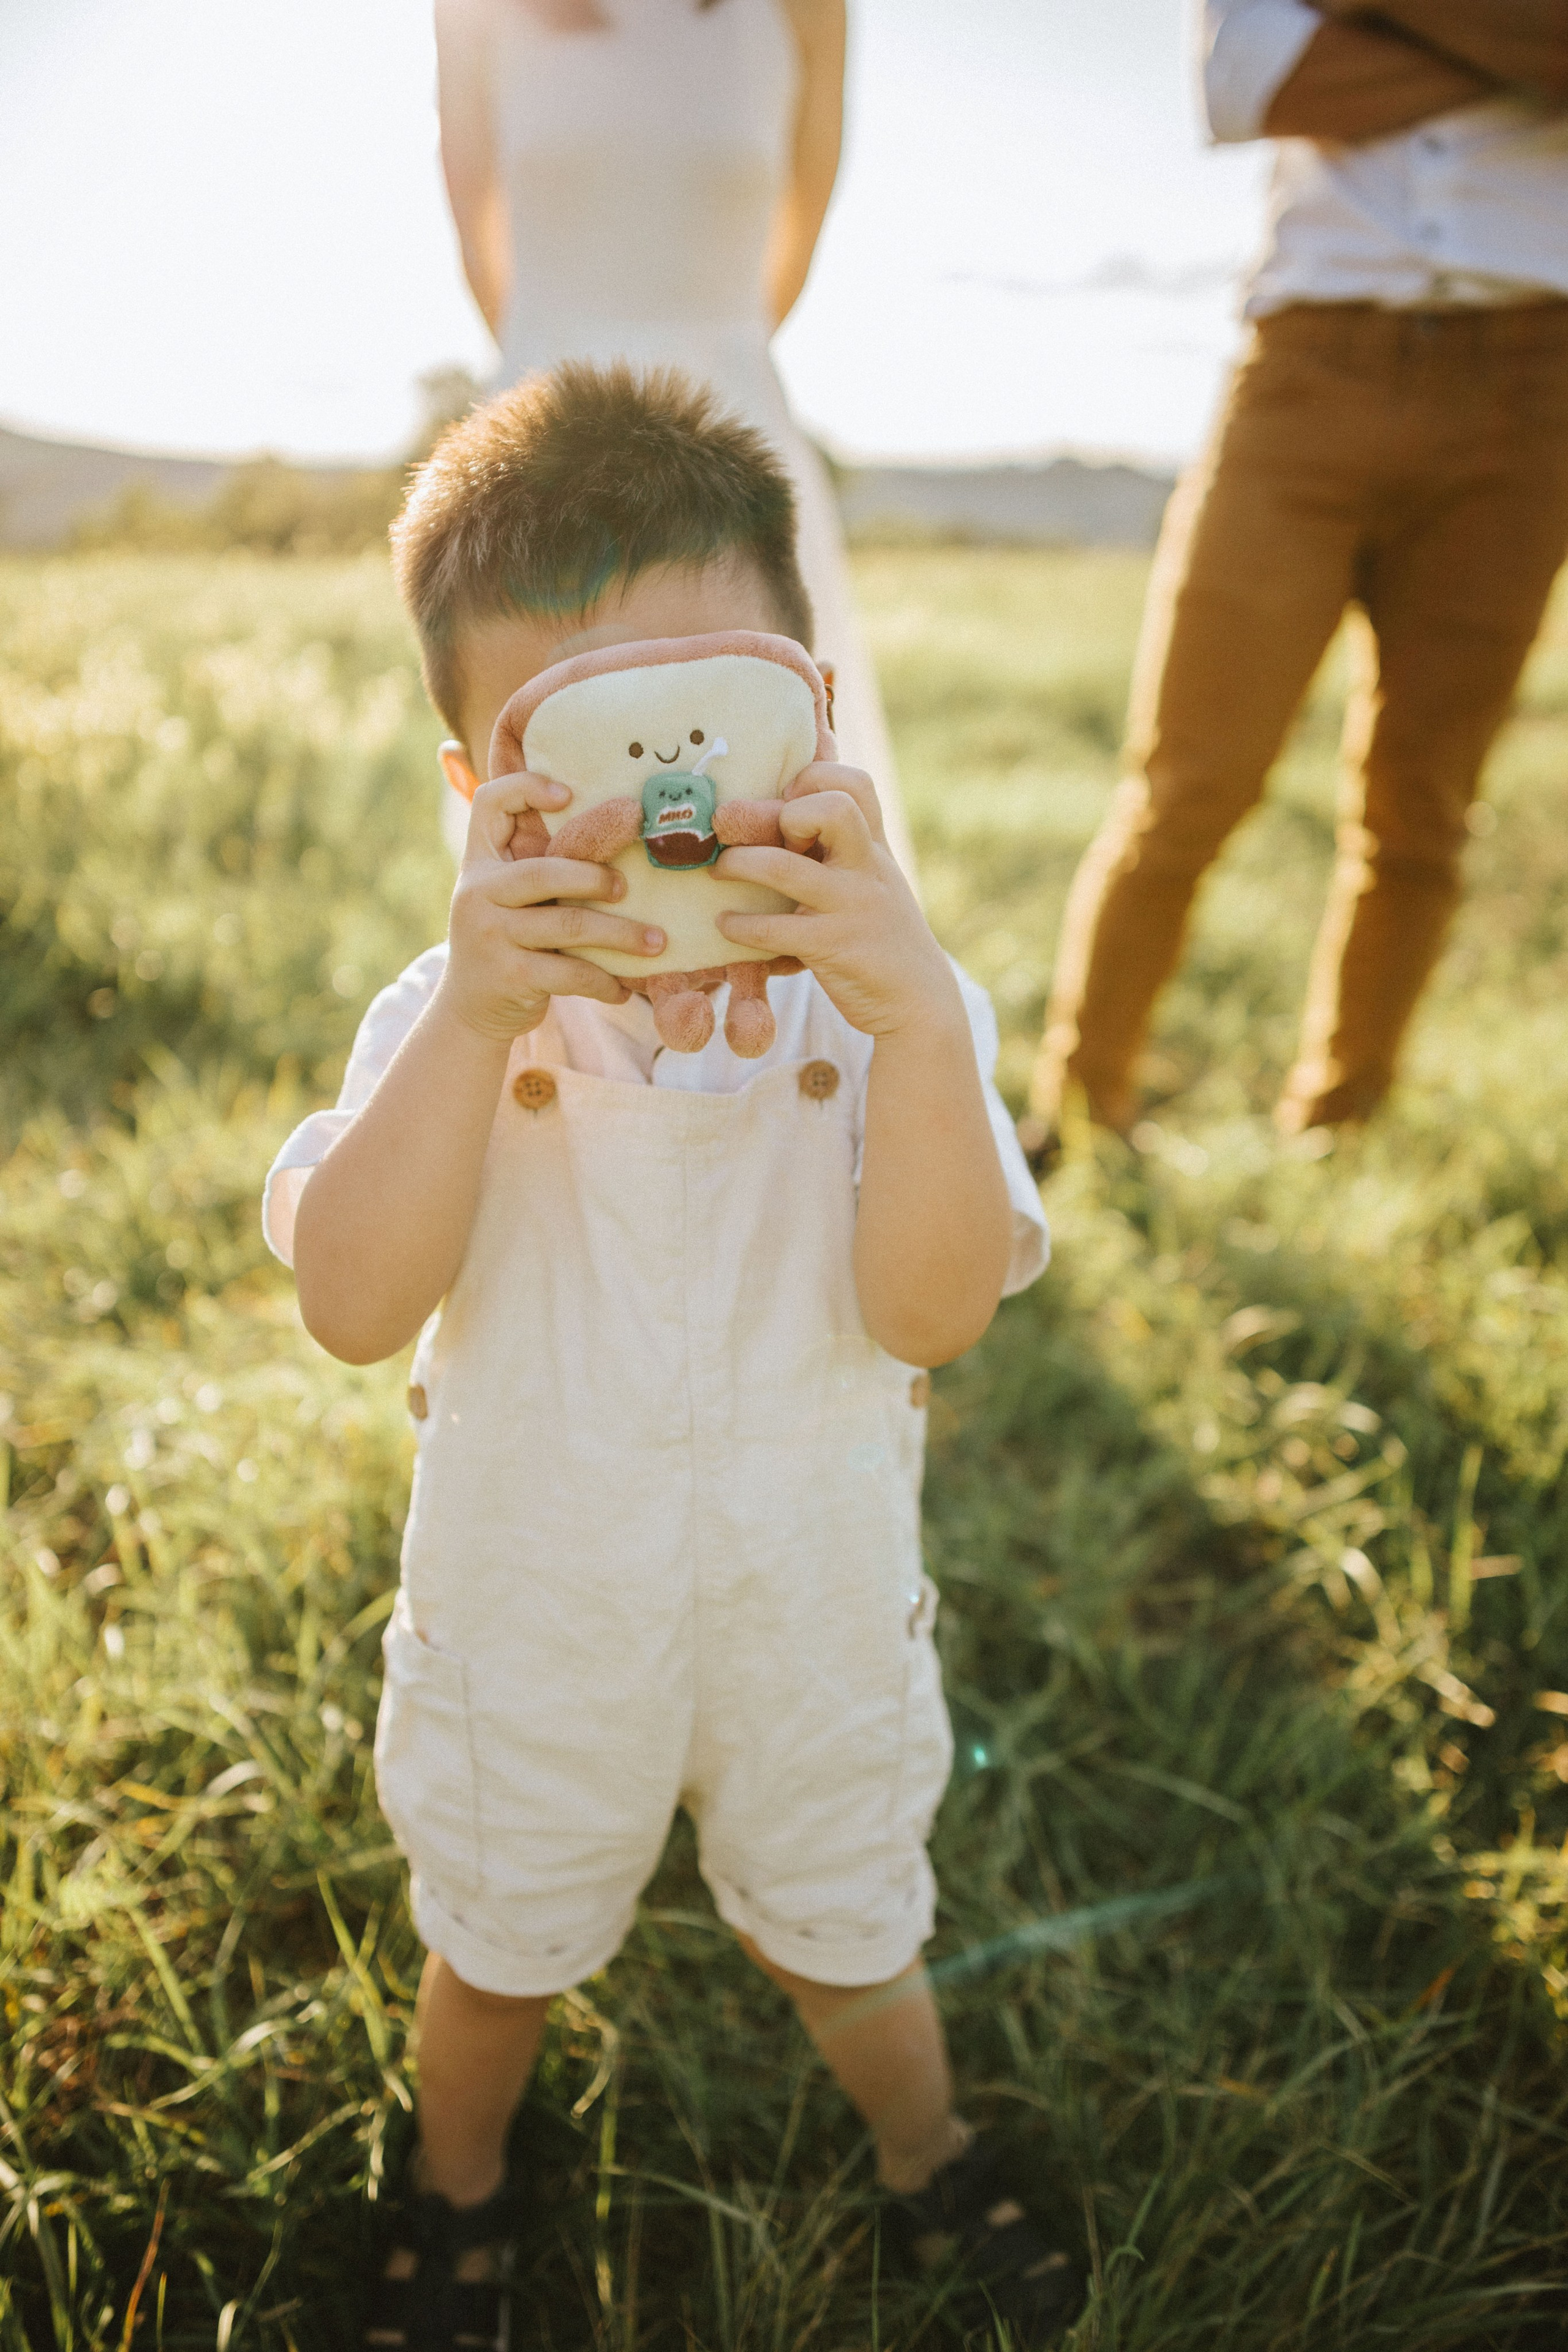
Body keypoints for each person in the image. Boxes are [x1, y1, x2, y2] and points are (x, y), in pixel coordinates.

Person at [263, 365, 1081, 2350]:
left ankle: (924, 2145)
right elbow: (356, 1302)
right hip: (535, 1614)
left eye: (709, 742)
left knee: (844, 1924)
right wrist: (470, 1027)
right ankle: (456, 2179)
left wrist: (914, 1037)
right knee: (503, 1937)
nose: (670, 821)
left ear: (818, 726)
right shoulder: (445, 1026)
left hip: (806, 1610)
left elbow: (932, 1313)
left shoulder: (896, 1014)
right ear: (476, 797)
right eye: (594, 766)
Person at [1023, 0, 1568, 1157]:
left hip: (1533, 391)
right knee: (1188, 778)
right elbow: (1249, 89)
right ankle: (1079, 1112)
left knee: (1421, 808)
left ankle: (1342, 1126)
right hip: (1305, 372)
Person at [432, 0, 920, 880]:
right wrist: (570, 432)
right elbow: (480, 242)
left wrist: (697, 408)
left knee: (773, 798)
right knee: (552, 818)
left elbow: (791, 248)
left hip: (731, 431)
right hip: (546, 442)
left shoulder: (808, 11)